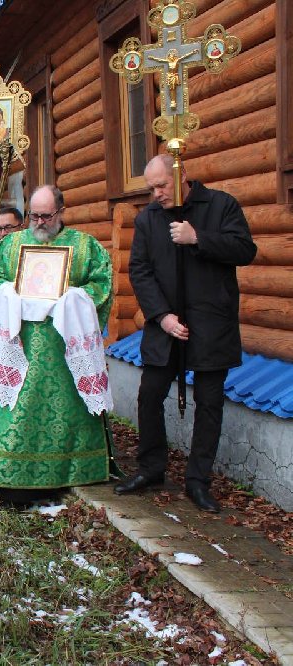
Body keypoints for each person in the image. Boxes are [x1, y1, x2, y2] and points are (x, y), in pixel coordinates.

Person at [117, 154, 257, 513]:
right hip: (166, 325)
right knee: (150, 394)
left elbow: (245, 250)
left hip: (211, 322)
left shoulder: (220, 205)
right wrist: (162, 316)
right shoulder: (148, 219)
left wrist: (198, 238)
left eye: (162, 185)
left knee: (209, 403)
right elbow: (140, 270)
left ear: (182, 176)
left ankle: (198, 480)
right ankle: (151, 468)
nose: (157, 194)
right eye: (151, 188)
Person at [0, 185, 113, 503]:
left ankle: (75, 470)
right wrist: (6, 293)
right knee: (18, 409)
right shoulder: (11, 245)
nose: (40, 222)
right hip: (22, 346)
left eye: (46, 215)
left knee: (68, 412)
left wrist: (76, 298)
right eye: (34, 216)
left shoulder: (85, 246)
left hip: (65, 350)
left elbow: (102, 283)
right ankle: (10, 473)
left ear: (61, 212)